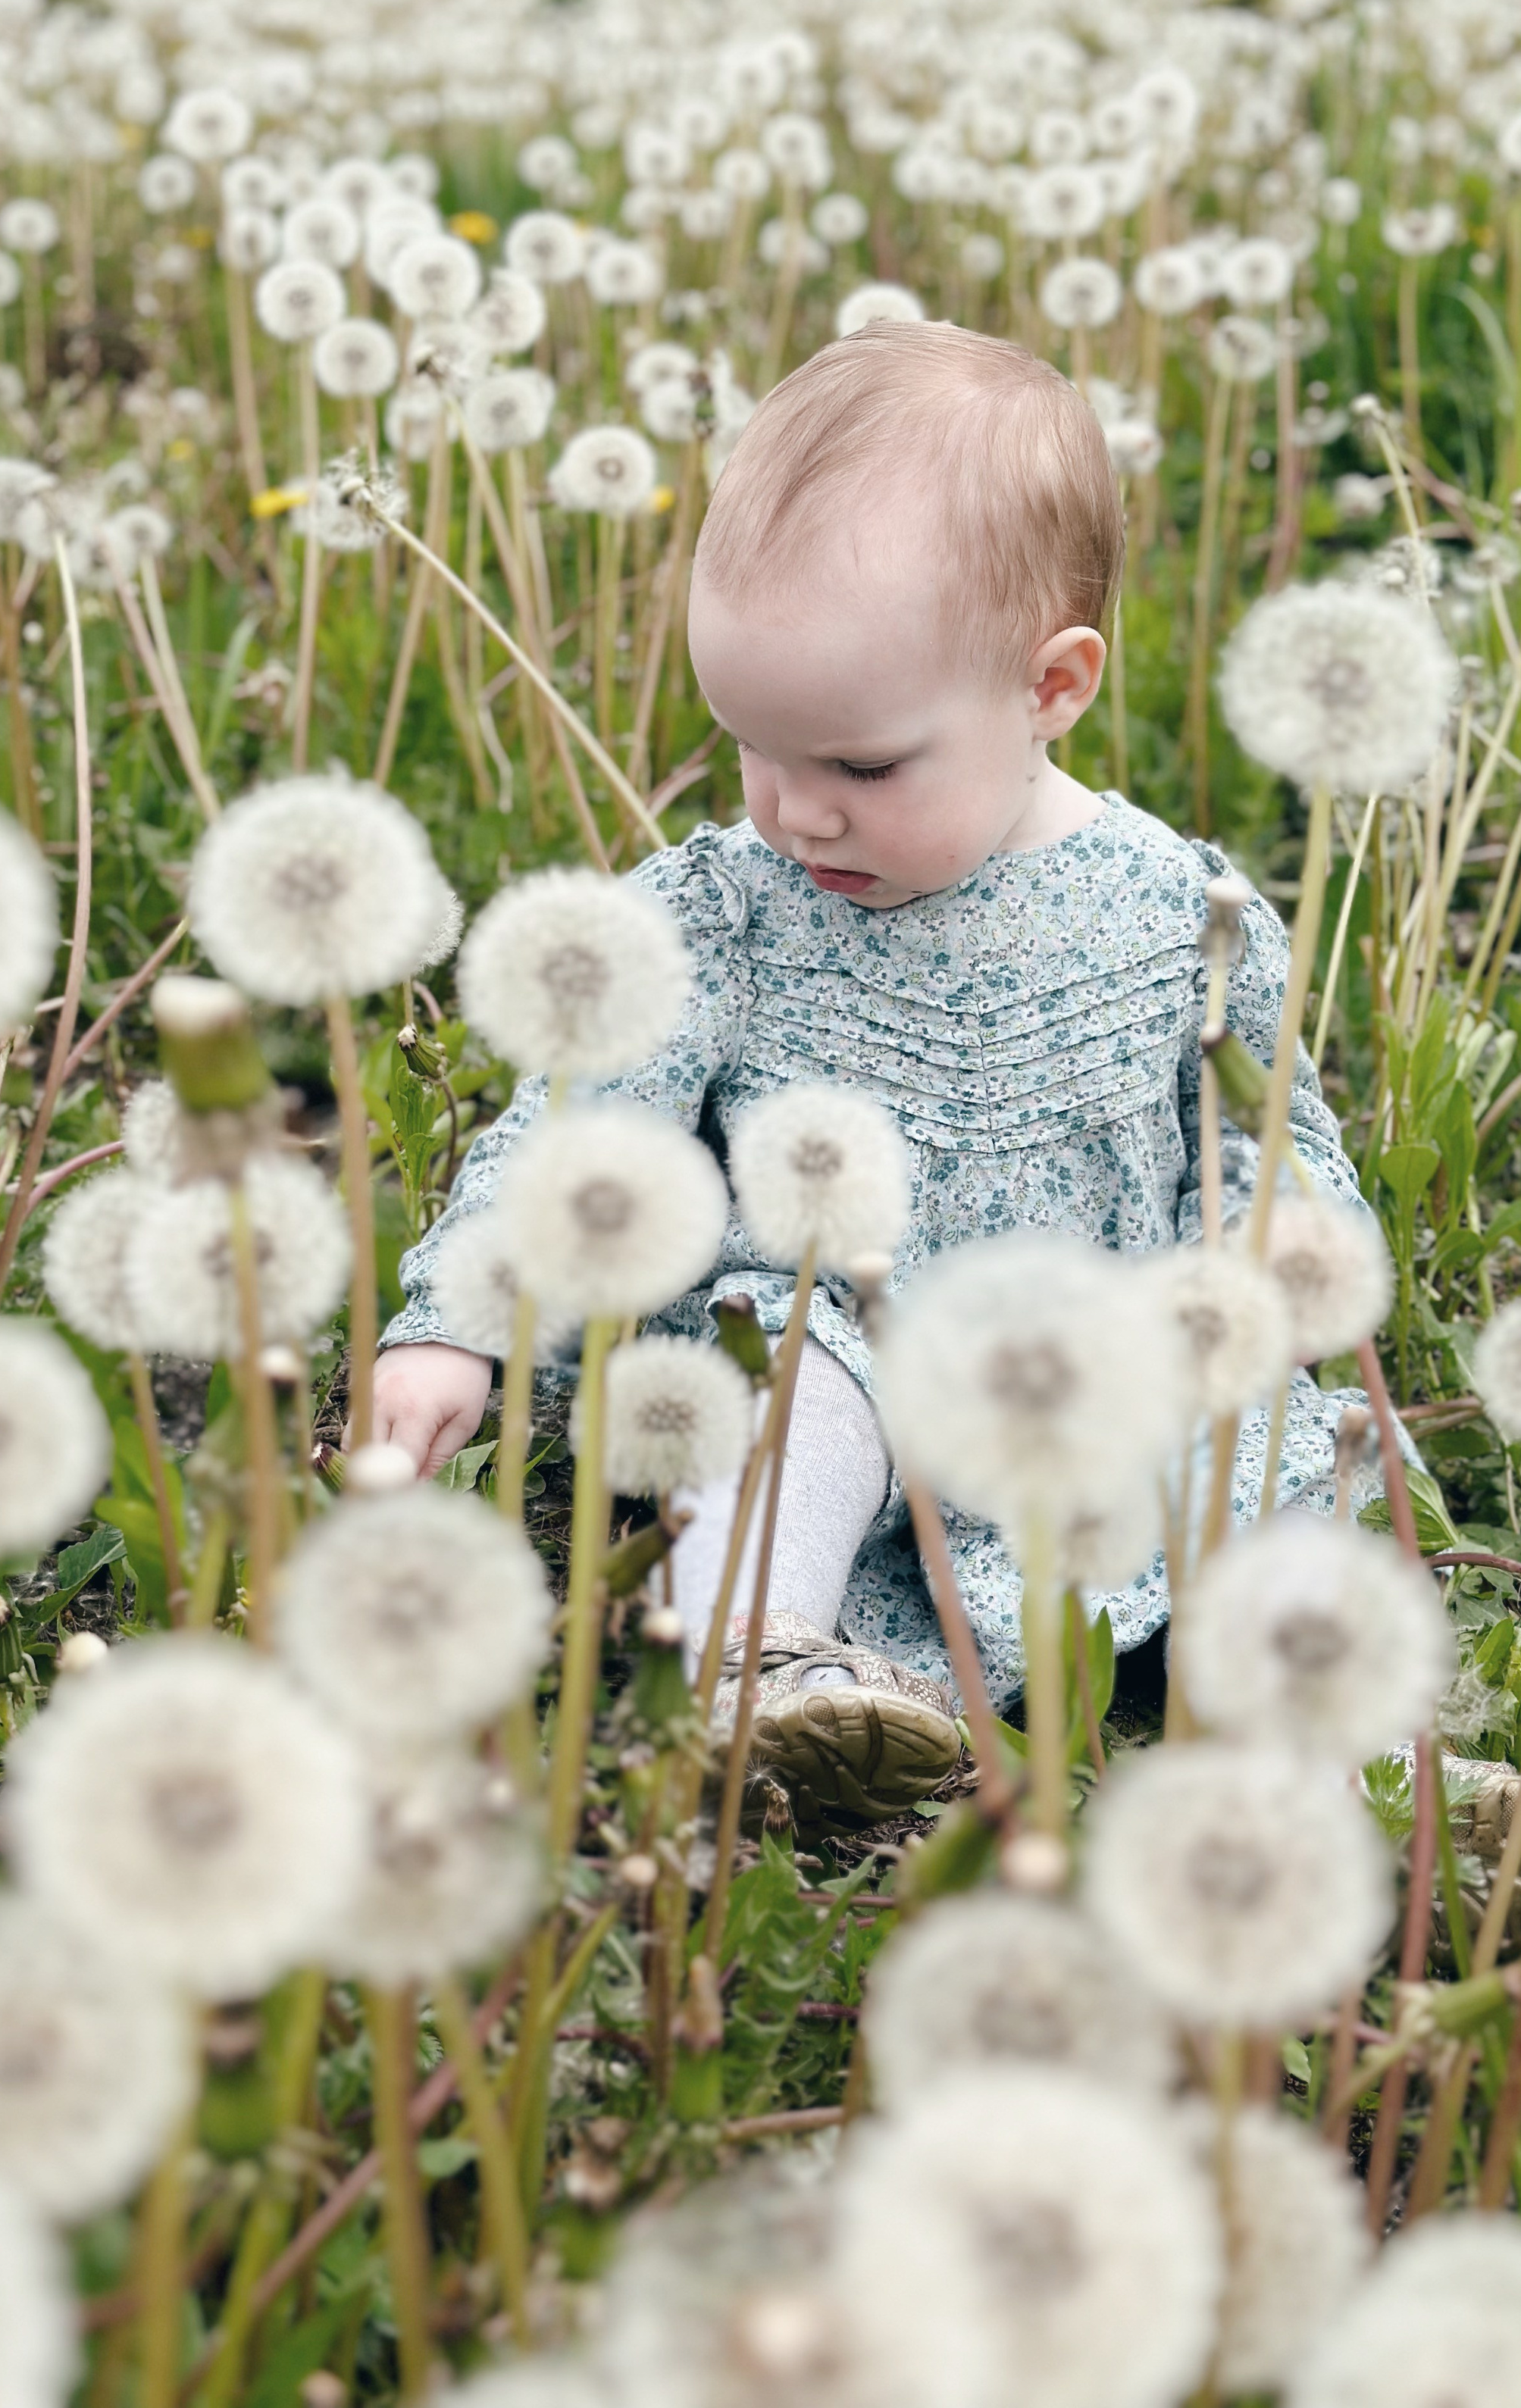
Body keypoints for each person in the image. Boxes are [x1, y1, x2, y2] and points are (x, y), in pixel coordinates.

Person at [372, 321, 1375, 1823]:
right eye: (750, 752)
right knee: (764, 1384)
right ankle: (760, 1671)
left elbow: (1263, 1156)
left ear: (1051, 687)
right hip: (838, 1341)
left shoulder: (1187, 920)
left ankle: (1357, 1746)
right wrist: (457, 1324)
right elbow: (584, 1131)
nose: (795, 815)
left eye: (858, 767)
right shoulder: (719, 913)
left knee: (1299, 1459)